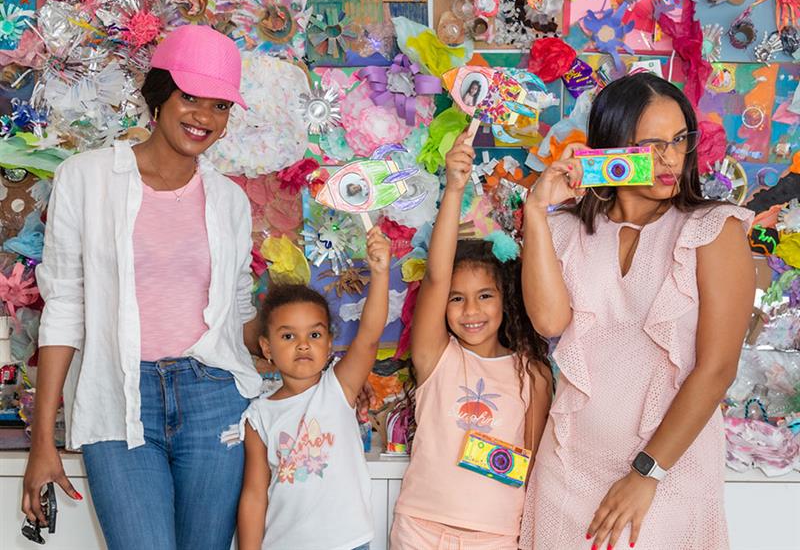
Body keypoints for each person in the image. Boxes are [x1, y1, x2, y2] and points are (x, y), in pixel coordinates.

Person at [22, 25, 261, 550]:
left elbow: (238, 309)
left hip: (213, 399)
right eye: (189, 97)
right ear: (159, 96)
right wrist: (44, 439)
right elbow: (63, 309)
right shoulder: (86, 179)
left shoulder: (230, 202)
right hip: (118, 398)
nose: (203, 117)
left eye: (220, 105)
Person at [519, 73, 755, 550]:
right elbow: (549, 323)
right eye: (651, 145)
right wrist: (536, 209)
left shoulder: (714, 229)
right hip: (569, 467)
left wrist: (647, 473)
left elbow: (717, 369)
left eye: (679, 140)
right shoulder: (565, 230)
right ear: (611, 149)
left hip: (668, 470)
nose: (671, 159)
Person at [389, 132, 553, 549]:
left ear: (505, 301)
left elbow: (533, 467)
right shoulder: (436, 357)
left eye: (484, 297)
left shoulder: (531, 373)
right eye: (456, 300)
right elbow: (436, 275)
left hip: (494, 537)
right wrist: (454, 188)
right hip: (420, 529)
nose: (471, 311)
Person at [237, 227, 390, 550]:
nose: (303, 345)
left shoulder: (340, 387)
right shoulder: (258, 416)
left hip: (348, 542)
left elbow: (369, 337)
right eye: (288, 336)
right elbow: (253, 494)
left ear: (330, 342)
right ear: (267, 347)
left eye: (315, 335)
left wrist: (380, 272)